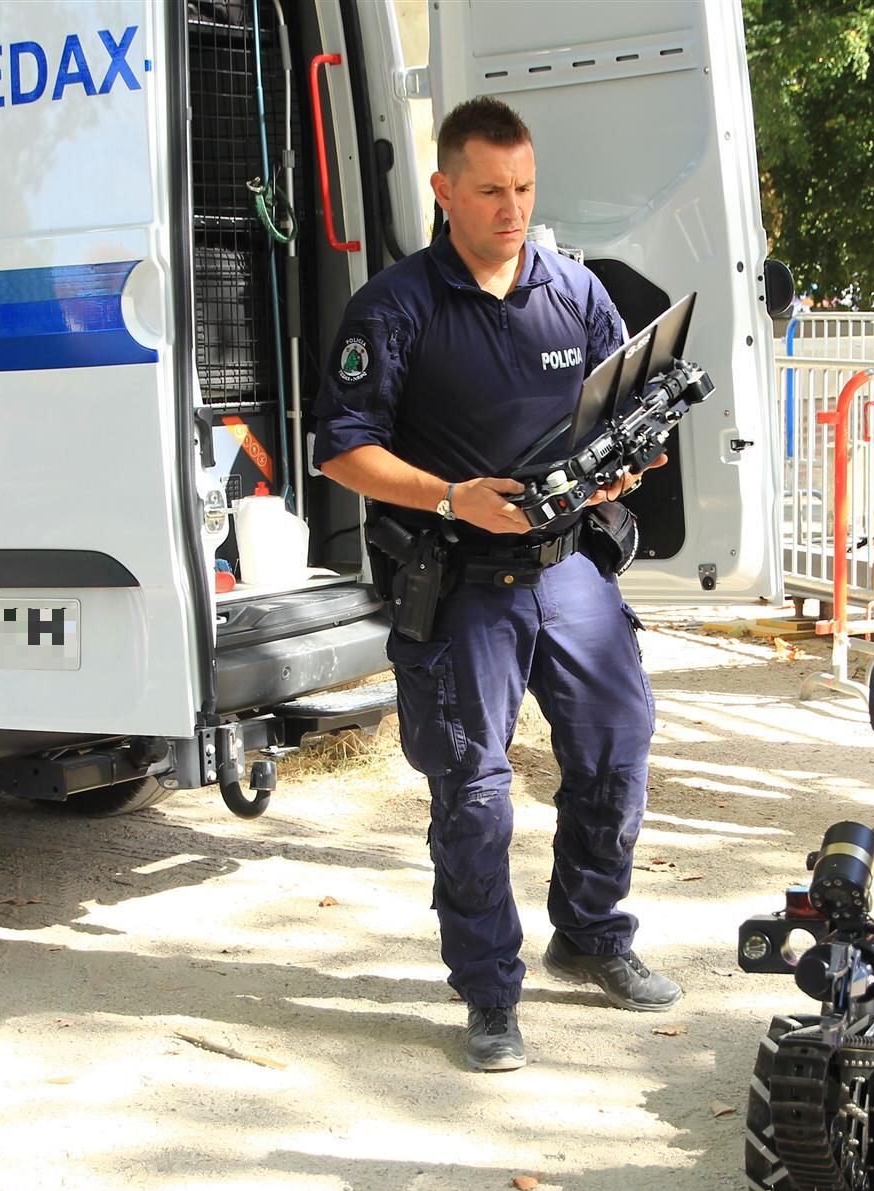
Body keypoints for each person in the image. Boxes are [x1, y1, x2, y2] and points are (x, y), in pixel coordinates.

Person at [311, 96, 680, 1074]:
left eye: (523, 188)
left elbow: (625, 398)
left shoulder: (574, 289)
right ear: (444, 192)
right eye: (490, 191)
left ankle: (592, 933)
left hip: (570, 571)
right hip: (463, 583)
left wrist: (626, 464)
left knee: (616, 749)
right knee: (474, 795)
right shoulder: (395, 307)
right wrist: (451, 496)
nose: (511, 208)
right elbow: (342, 453)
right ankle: (488, 992)